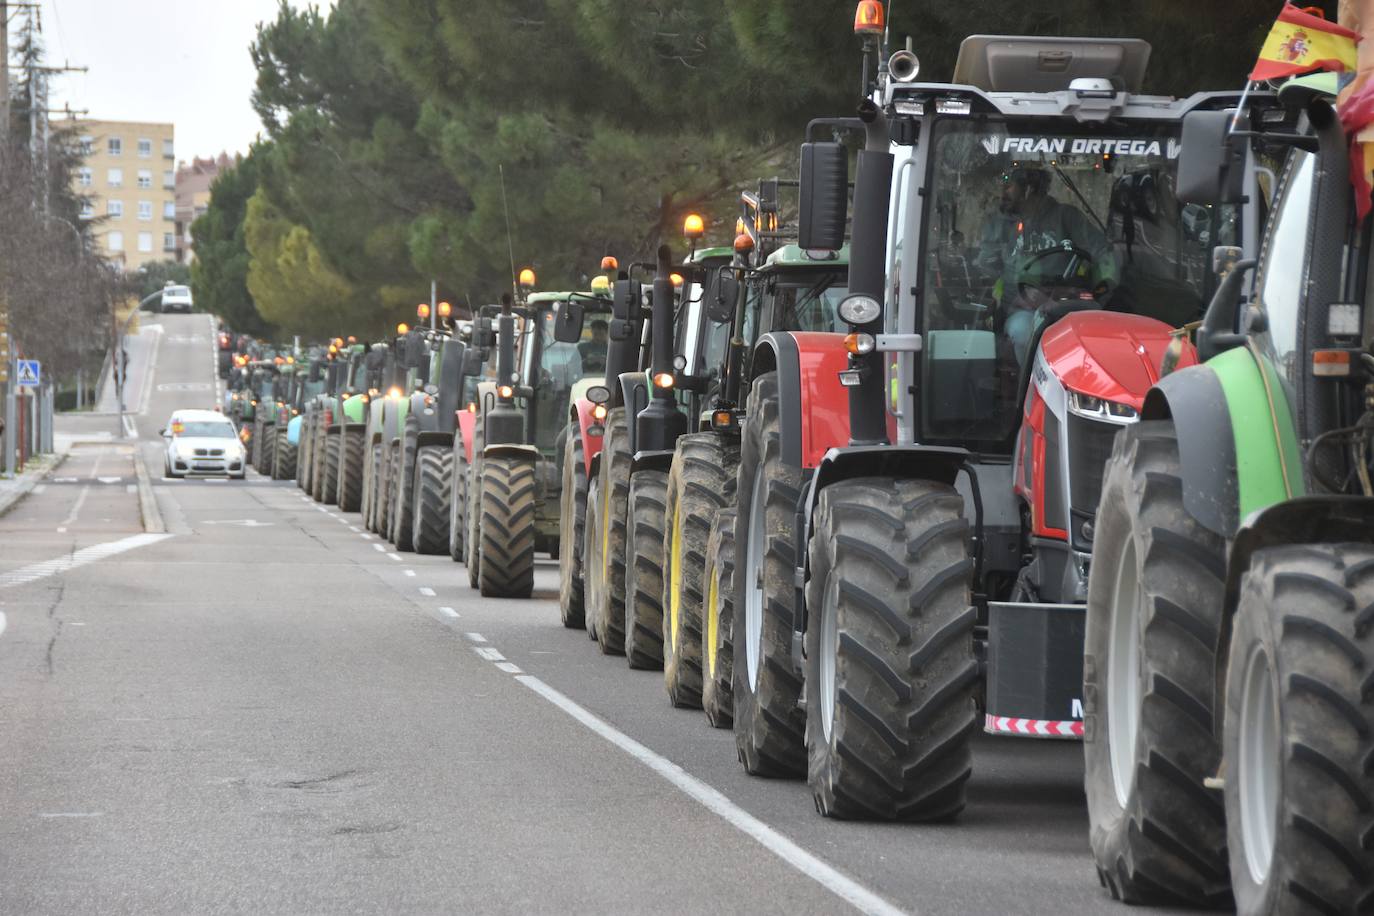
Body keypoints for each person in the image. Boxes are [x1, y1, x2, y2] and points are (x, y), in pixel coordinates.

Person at [988, 168, 1119, 363]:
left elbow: (1105, 255)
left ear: (1028, 190)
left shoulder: (1066, 218)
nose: (1003, 194)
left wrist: (1100, 295)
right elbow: (1002, 270)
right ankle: (1029, 389)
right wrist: (1010, 298)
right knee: (1024, 334)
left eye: (1008, 187)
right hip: (1024, 310)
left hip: (1065, 307)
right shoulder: (1011, 226)